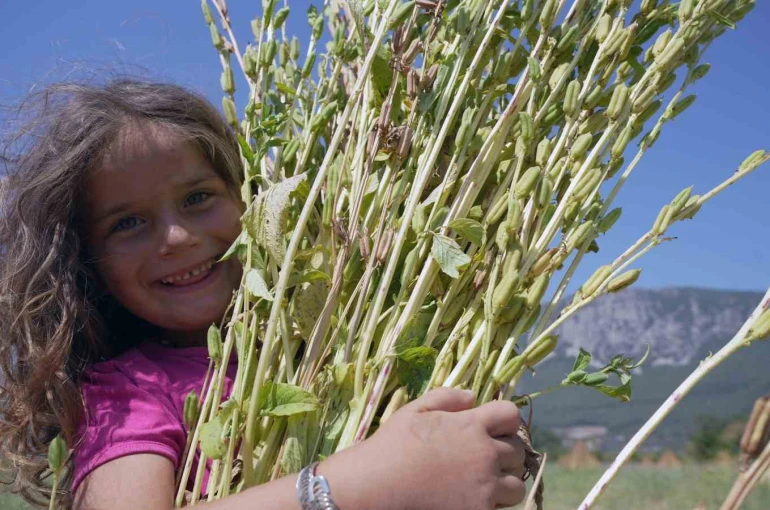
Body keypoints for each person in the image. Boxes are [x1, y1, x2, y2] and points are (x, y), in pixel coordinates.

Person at [0, 79, 528, 509]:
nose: (178, 237)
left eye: (199, 197)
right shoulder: (131, 392)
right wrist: (356, 484)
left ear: (252, 195)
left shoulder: (341, 337)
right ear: (87, 263)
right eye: (128, 223)